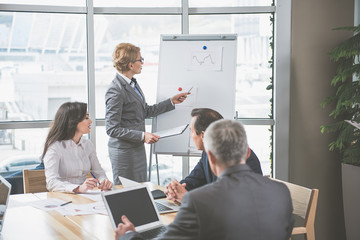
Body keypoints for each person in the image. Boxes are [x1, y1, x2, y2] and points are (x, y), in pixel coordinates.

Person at [115, 120, 294, 240]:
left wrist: (128, 235)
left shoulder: (199, 201)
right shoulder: (281, 192)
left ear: (210, 157)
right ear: (247, 152)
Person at [105, 43, 188, 184]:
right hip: (124, 153)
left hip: (136, 148)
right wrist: (143, 136)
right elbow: (112, 129)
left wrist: (171, 102)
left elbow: (144, 111)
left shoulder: (133, 84)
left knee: (140, 189)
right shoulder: (116, 89)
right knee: (126, 194)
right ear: (131, 65)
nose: (142, 62)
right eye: (140, 59)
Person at [165, 108, 263, 203]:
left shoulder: (239, 158)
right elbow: (193, 181)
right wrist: (175, 189)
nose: (191, 136)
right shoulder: (207, 153)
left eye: (192, 131)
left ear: (203, 135)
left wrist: (187, 199)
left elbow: (229, 203)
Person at [43, 102, 113, 193]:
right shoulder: (54, 147)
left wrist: (104, 181)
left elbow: (98, 172)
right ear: (73, 121)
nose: (91, 121)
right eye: (86, 118)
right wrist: (78, 188)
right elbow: (51, 182)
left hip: (84, 196)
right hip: (64, 197)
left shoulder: (87, 144)